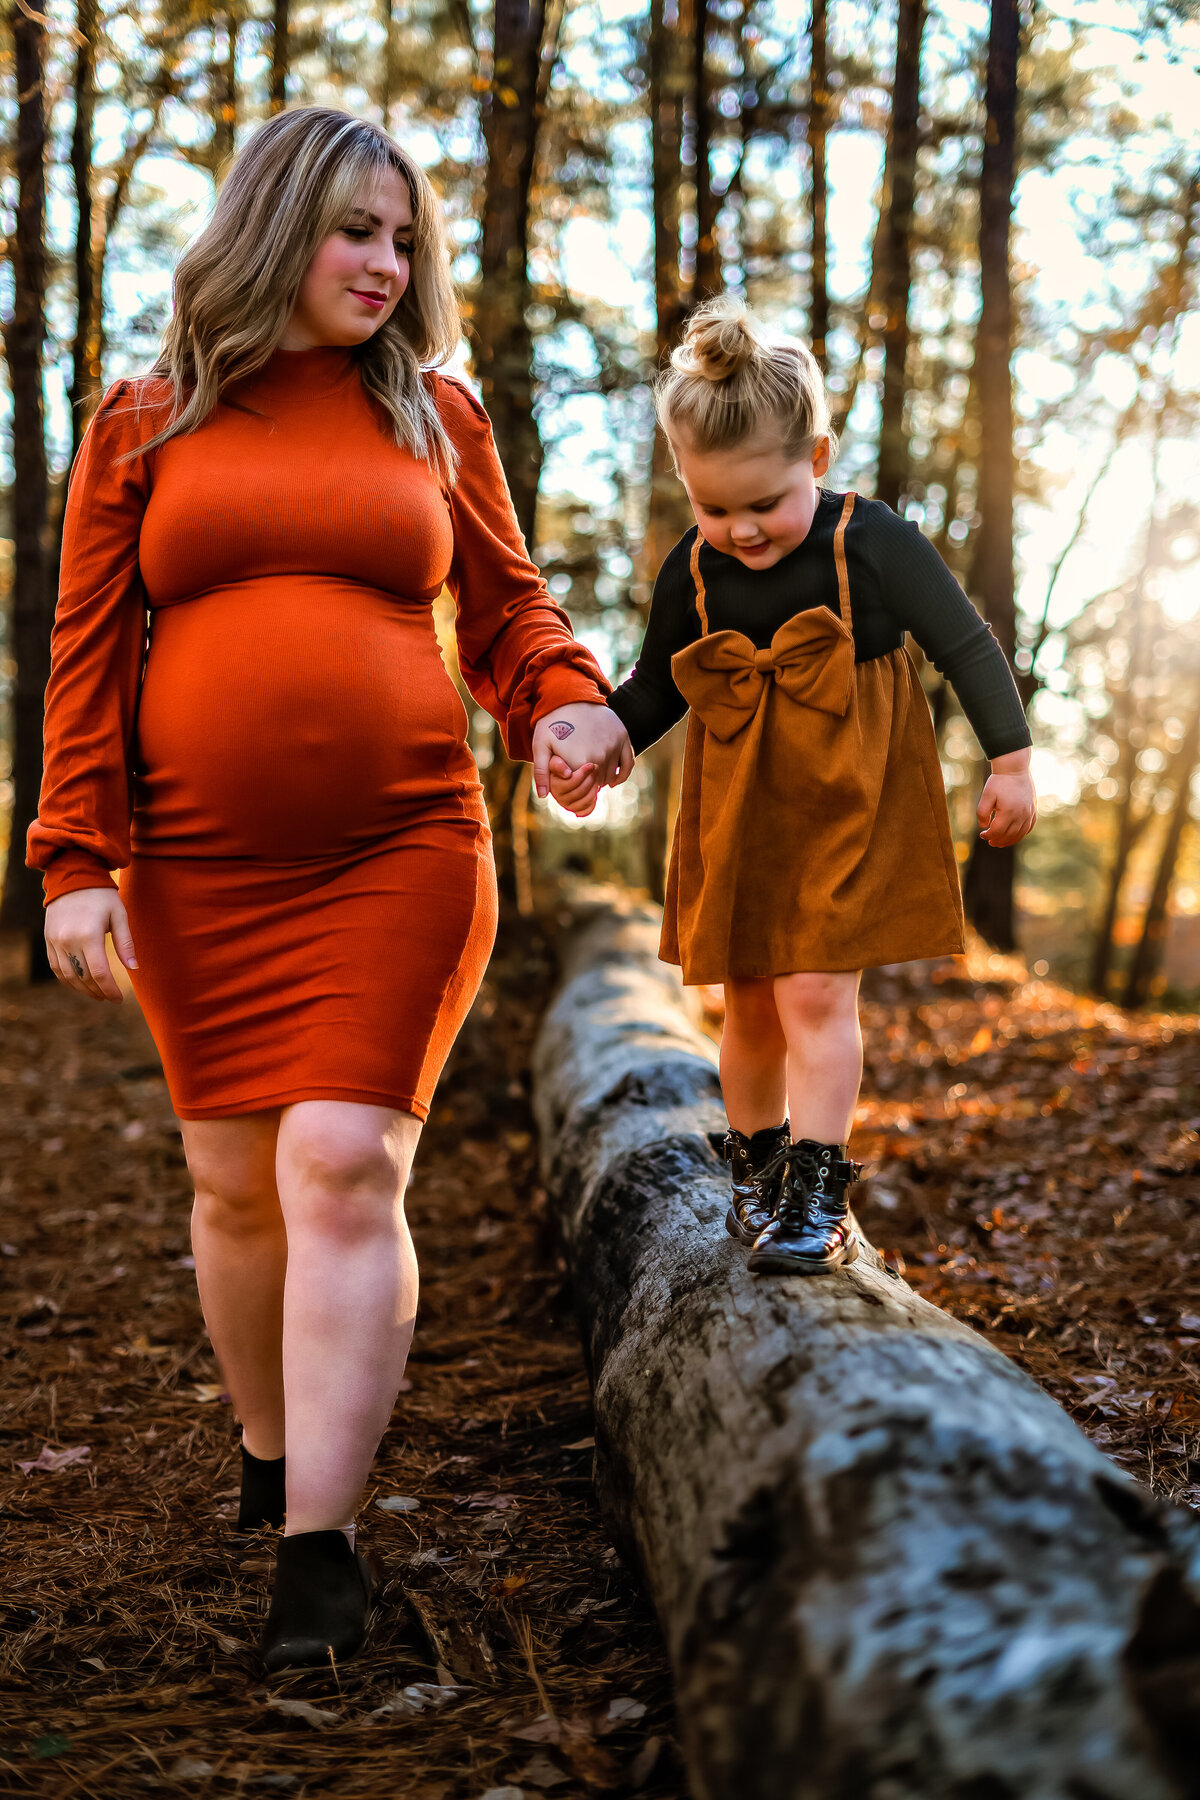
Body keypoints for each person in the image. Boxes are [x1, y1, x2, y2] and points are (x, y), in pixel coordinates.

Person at [29, 105, 632, 1671]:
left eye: (404, 237)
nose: (387, 261)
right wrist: (75, 856)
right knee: (236, 1189)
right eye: (357, 229)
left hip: (401, 850)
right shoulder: (141, 423)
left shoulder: (433, 417)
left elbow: (510, 608)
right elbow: (87, 659)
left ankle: (322, 1548)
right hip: (200, 870)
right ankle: (267, 1440)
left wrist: (561, 698)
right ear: (275, 226)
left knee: (344, 1162)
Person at [548, 297, 1035, 1275]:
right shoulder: (693, 570)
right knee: (753, 1001)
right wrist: (604, 736)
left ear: (817, 456)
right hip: (742, 806)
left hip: (850, 797)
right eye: (712, 507)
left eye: (763, 503)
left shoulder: (872, 543)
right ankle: (757, 1166)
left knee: (816, 992)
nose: (741, 531)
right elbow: (654, 689)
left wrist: (1011, 759)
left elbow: (967, 643)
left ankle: (817, 1192)